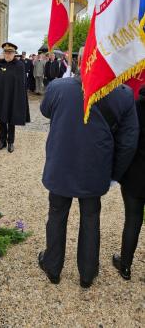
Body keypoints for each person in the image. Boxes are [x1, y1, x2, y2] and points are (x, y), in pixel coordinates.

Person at [38, 77, 139, 288]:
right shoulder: (123, 94)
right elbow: (128, 142)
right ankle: (87, 273)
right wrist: (114, 174)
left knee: (57, 214)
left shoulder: (59, 87)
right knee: (90, 218)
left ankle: (53, 267)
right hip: (95, 167)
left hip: (61, 164)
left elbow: (46, 110)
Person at [113, 86, 145, 280]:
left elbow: (126, 140)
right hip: (136, 174)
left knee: (133, 219)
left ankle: (125, 265)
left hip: (136, 174)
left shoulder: (135, 107)